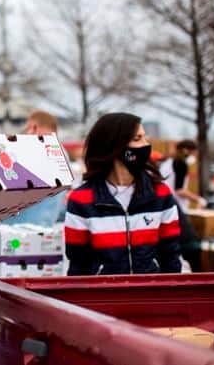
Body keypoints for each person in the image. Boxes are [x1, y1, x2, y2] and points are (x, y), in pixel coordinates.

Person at [65, 112, 182, 275]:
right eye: (137, 139)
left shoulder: (160, 194)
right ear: (114, 145)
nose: (145, 145)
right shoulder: (81, 199)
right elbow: (78, 264)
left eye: (145, 138)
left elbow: (171, 257)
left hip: (152, 295)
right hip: (104, 297)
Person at [3, 110, 66, 227]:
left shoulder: (32, 150)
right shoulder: (61, 154)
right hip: (46, 228)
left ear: (34, 127)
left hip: (17, 229)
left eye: (27, 128)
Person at [159, 140, 204, 272]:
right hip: (175, 207)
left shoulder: (166, 162)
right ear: (186, 150)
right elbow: (179, 190)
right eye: (193, 152)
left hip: (164, 204)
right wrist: (198, 199)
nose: (194, 156)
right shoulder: (180, 163)